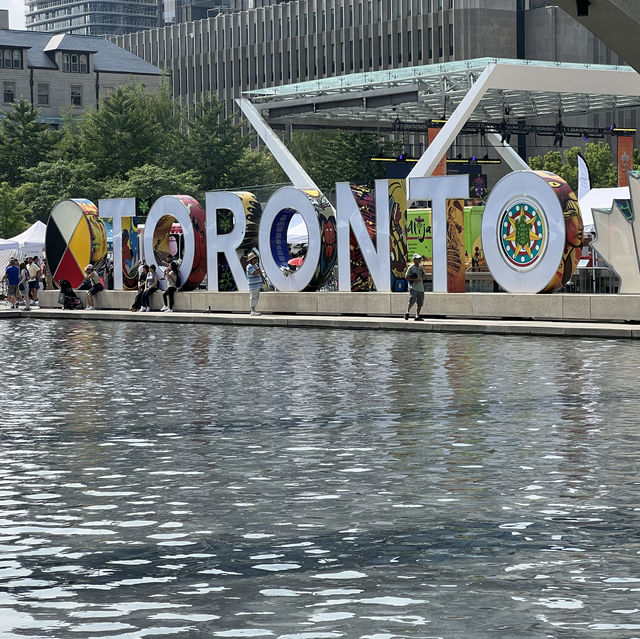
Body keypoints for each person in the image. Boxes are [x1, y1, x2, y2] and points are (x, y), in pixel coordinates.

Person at [405, 253, 428, 321]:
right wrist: (414, 280)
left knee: (420, 302)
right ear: (414, 260)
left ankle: (417, 316)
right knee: (412, 300)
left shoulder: (422, 267)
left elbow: (425, 278)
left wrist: (422, 272)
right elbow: (406, 277)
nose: (419, 260)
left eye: (420, 259)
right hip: (413, 287)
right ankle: (407, 312)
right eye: (418, 259)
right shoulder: (411, 268)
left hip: (421, 288)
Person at [246, 252, 263, 316]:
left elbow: (260, 272)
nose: (256, 259)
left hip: (257, 285)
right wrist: (258, 271)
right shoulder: (249, 266)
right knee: (253, 297)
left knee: (256, 297)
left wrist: (258, 271)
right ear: (251, 260)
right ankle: (252, 311)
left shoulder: (255, 266)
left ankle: (254, 310)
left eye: (256, 258)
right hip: (253, 286)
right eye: (255, 258)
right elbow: (255, 272)